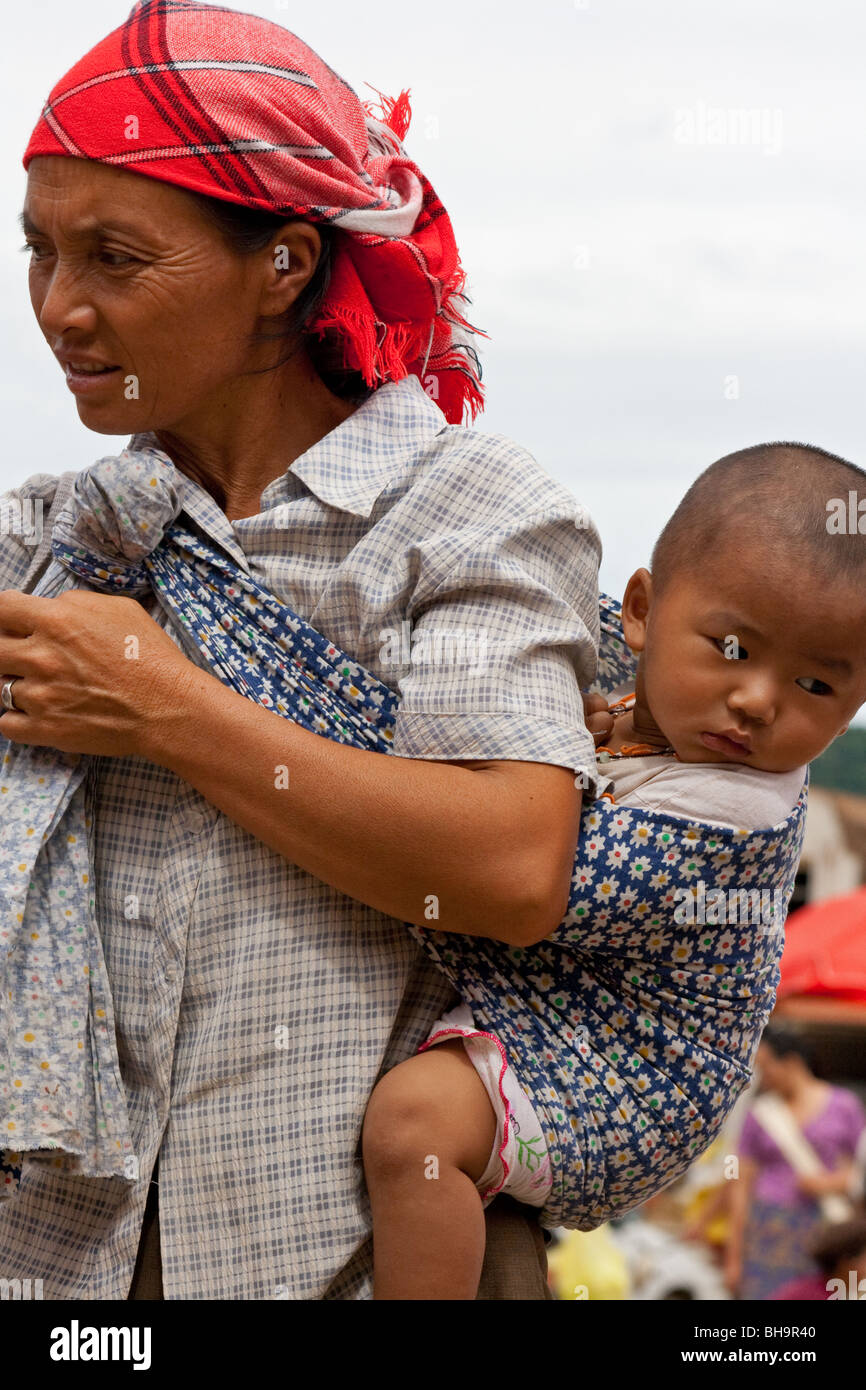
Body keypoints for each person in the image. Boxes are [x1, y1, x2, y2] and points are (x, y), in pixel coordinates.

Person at [0, 1, 604, 1298]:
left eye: (115, 257)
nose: (61, 307)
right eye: (38, 250)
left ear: (283, 263)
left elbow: (510, 865)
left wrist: (166, 708)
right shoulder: (59, 542)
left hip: (338, 1262)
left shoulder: (468, 512)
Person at [361, 442, 866, 1297]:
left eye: (816, 684)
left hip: (627, 1074)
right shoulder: (634, 684)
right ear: (640, 610)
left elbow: (523, 877)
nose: (759, 700)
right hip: (566, 1011)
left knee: (412, 1128)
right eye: (735, 648)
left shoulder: (732, 817)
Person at [725, 1022, 866, 1299]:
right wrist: (734, 1255)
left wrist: (835, 1182)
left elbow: (861, 1170)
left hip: (827, 1235)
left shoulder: (844, 1106)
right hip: (766, 1234)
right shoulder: (760, 1114)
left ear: (791, 1062)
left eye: (767, 1068)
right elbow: (738, 1183)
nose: (763, 1078)